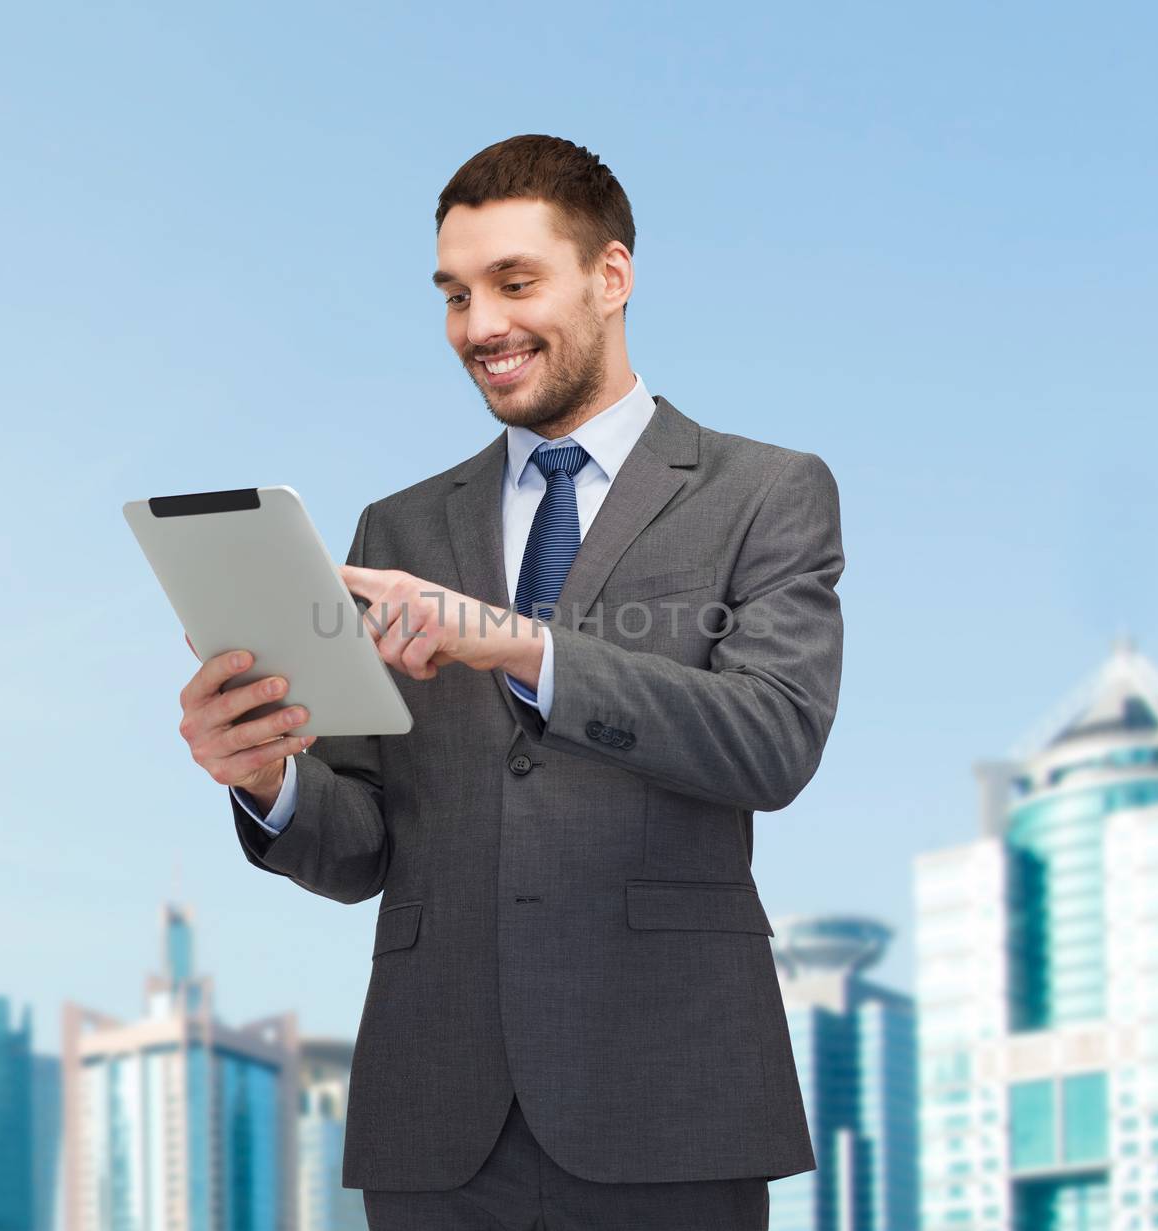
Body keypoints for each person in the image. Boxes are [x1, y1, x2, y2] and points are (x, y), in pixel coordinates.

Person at [176, 133, 844, 1231]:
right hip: (437, 1119)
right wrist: (266, 777)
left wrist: (517, 646)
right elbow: (366, 848)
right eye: (453, 294)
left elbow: (771, 740)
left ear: (611, 277)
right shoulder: (398, 527)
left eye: (513, 283)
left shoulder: (763, 492)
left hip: (670, 1101)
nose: (479, 325)